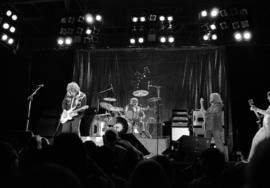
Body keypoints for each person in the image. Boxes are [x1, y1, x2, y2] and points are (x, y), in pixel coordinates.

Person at [247, 91, 270, 162]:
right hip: (265, 128)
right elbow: (261, 116)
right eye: (268, 97)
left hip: (268, 129)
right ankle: (252, 161)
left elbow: (267, 113)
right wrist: (254, 110)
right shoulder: (269, 106)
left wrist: (257, 109)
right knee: (256, 141)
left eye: (269, 96)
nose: (268, 98)